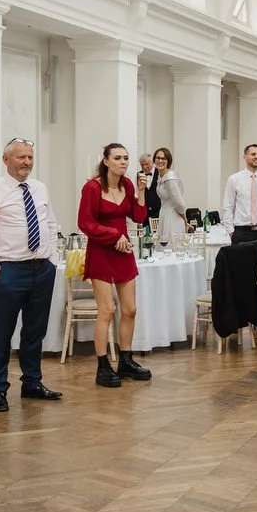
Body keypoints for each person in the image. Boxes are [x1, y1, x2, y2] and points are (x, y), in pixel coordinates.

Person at [0, 139, 62, 411]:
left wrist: (52, 258)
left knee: (35, 330)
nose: (27, 162)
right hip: (10, 269)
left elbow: (50, 222)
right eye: (21, 157)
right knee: (2, 331)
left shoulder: (39, 188)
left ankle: (32, 383)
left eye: (30, 157)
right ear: (5, 160)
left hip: (41, 268)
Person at [78, 142, 152, 387]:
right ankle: (102, 365)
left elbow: (139, 217)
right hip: (101, 250)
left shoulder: (128, 184)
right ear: (106, 161)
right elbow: (85, 223)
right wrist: (114, 236)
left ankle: (126, 360)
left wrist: (141, 191)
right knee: (107, 310)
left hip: (123, 251)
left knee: (130, 309)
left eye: (126, 158)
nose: (123, 162)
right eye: (118, 158)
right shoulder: (92, 187)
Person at [222, 144, 257, 246]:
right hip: (241, 232)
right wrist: (231, 232)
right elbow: (227, 207)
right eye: (253, 154)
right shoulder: (234, 179)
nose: (256, 156)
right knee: (241, 262)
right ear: (245, 156)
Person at [149, 147, 187, 240]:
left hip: (173, 218)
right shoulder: (161, 176)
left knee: (170, 249)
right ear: (154, 160)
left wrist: (185, 220)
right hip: (164, 216)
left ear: (168, 161)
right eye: (158, 158)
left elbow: (180, 204)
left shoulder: (170, 178)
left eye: (163, 158)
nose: (160, 161)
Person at [139, 154, 161, 220]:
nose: (144, 167)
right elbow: (137, 193)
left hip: (159, 211)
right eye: (142, 165)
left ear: (152, 163)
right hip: (145, 213)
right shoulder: (138, 175)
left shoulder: (160, 173)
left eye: (147, 164)